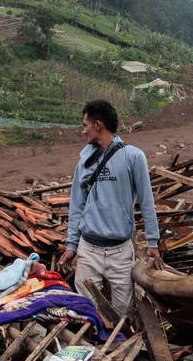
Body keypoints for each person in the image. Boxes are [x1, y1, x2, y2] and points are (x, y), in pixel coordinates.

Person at [60, 100, 161, 317]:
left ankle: (120, 347)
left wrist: (153, 242)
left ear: (98, 125)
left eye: (85, 125)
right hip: (89, 249)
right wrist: (72, 244)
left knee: (123, 311)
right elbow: (76, 204)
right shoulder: (85, 160)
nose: (83, 130)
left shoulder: (133, 156)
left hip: (120, 251)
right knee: (87, 311)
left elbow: (146, 201)